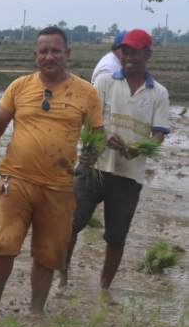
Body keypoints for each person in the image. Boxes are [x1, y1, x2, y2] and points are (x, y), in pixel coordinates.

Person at [0, 27, 103, 315]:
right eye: (44, 51)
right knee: (3, 246)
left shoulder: (86, 92)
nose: (50, 56)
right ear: (35, 55)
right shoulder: (19, 86)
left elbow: (97, 135)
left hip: (59, 186)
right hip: (16, 180)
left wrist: (92, 153)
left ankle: (36, 312)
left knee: (48, 255)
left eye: (55, 50)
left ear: (67, 54)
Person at [62, 29, 169, 296]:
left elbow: (158, 136)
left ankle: (104, 289)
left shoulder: (159, 93)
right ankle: (62, 279)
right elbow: (87, 121)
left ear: (148, 54)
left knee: (116, 236)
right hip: (93, 167)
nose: (129, 56)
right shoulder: (105, 83)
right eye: (125, 51)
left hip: (128, 174)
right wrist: (103, 134)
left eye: (135, 51)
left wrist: (140, 149)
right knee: (71, 223)